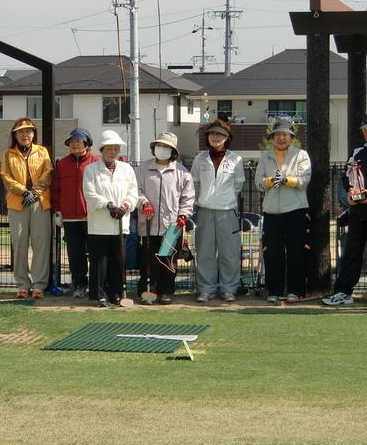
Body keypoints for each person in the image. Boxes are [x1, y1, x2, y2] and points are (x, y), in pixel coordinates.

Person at [322, 111, 367, 307]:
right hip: (357, 213)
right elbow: (347, 176)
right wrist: (350, 192)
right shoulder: (357, 152)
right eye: (365, 130)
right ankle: (344, 292)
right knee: (351, 253)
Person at [255, 118, 312, 303]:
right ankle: (274, 291)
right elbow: (258, 182)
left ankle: (296, 291)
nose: (281, 138)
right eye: (278, 134)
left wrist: (287, 180)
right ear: (272, 137)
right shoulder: (265, 156)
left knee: (296, 252)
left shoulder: (301, 155)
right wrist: (270, 181)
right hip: (271, 211)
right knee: (272, 253)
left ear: (291, 137)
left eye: (285, 135)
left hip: (296, 210)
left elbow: (304, 180)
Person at [135, 132, 195, 304]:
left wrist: (183, 214)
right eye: (160, 146)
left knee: (168, 261)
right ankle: (148, 291)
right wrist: (144, 202)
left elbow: (188, 197)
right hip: (148, 224)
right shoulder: (142, 169)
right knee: (149, 261)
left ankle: (165, 292)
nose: (162, 149)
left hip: (172, 225)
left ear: (173, 151)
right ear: (154, 147)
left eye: (167, 147)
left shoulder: (182, 172)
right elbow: (135, 190)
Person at [190, 119, 245, 302]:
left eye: (220, 134)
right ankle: (206, 289)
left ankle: (229, 289)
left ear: (227, 138)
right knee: (205, 252)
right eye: (212, 134)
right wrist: (199, 202)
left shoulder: (236, 159)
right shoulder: (200, 158)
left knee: (229, 252)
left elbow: (238, 185)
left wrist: (226, 199)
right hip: (204, 210)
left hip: (227, 211)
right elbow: (195, 183)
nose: (216, 137)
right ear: (207, 137)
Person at [82, 130, 138, 307]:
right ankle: (99, 295)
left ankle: (115, 294)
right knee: (99, 262)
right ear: (102, 149)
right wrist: (109, 205)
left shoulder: (127, 169)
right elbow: (90, 194)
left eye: (116, 149)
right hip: (99, 225)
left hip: (121, 223)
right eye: (109, 149)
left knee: (118, 261)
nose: (113, 152)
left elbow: (133, 192)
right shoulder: (91, 170)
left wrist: (125, 206)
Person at [0, 118, 53, 299]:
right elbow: (5, 176)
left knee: (41, 244)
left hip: (40, 202)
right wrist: (24, 192)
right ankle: (22, 284)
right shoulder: (8, 154)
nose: (25, 135)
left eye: (28, 131)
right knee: (20, 244)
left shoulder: (42, 151)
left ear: (33, 134)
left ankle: (39, 284)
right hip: (17, 203)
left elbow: (48, 172)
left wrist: (35, 193)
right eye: (21, 131)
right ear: (15, 134)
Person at [51, 127, 99, 298]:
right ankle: (79, 283)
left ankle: (97, 284)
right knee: (75, 253)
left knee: (95, 253)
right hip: (70, 217)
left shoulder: (96, 162)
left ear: (87, 143)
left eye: (78, 141)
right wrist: (57, 210)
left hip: (92, 216)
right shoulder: (62, 164)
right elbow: (56, 190)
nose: (74, 145)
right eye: (71, 142)